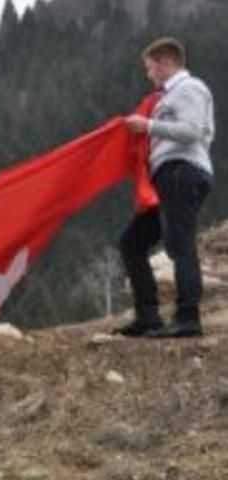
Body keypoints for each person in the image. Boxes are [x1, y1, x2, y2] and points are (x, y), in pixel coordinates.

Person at [115, 37, 215, 338]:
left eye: (151, 68)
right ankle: (148, 316)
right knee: (131, 242)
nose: (149, 75)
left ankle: (189, 317)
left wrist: (148, 126)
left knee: (179, 244)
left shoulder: (189, 88)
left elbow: (192, 131)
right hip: (168, 177)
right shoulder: (165, 97)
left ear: (166, 63)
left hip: (182, 172)